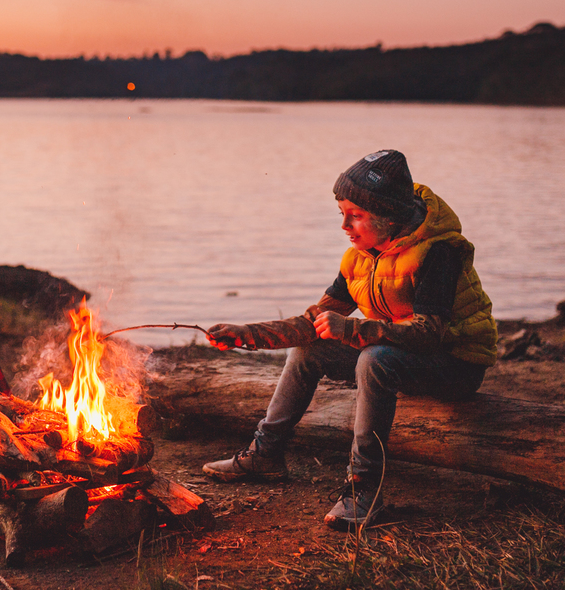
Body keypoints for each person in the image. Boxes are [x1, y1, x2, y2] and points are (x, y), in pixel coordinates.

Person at [202, 149, 497, 530]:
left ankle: (364, 490)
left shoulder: (437, 253)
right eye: (341, 211)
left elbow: (429, 335)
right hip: (399, 352)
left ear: (389, 218)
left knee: (374, 360)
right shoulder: (359, 257)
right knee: (311, 349)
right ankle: (266, 454)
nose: (344, 224)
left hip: (455, 364)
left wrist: (355, 330)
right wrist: (248, 335)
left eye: (356, 215)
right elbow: (313, 323)